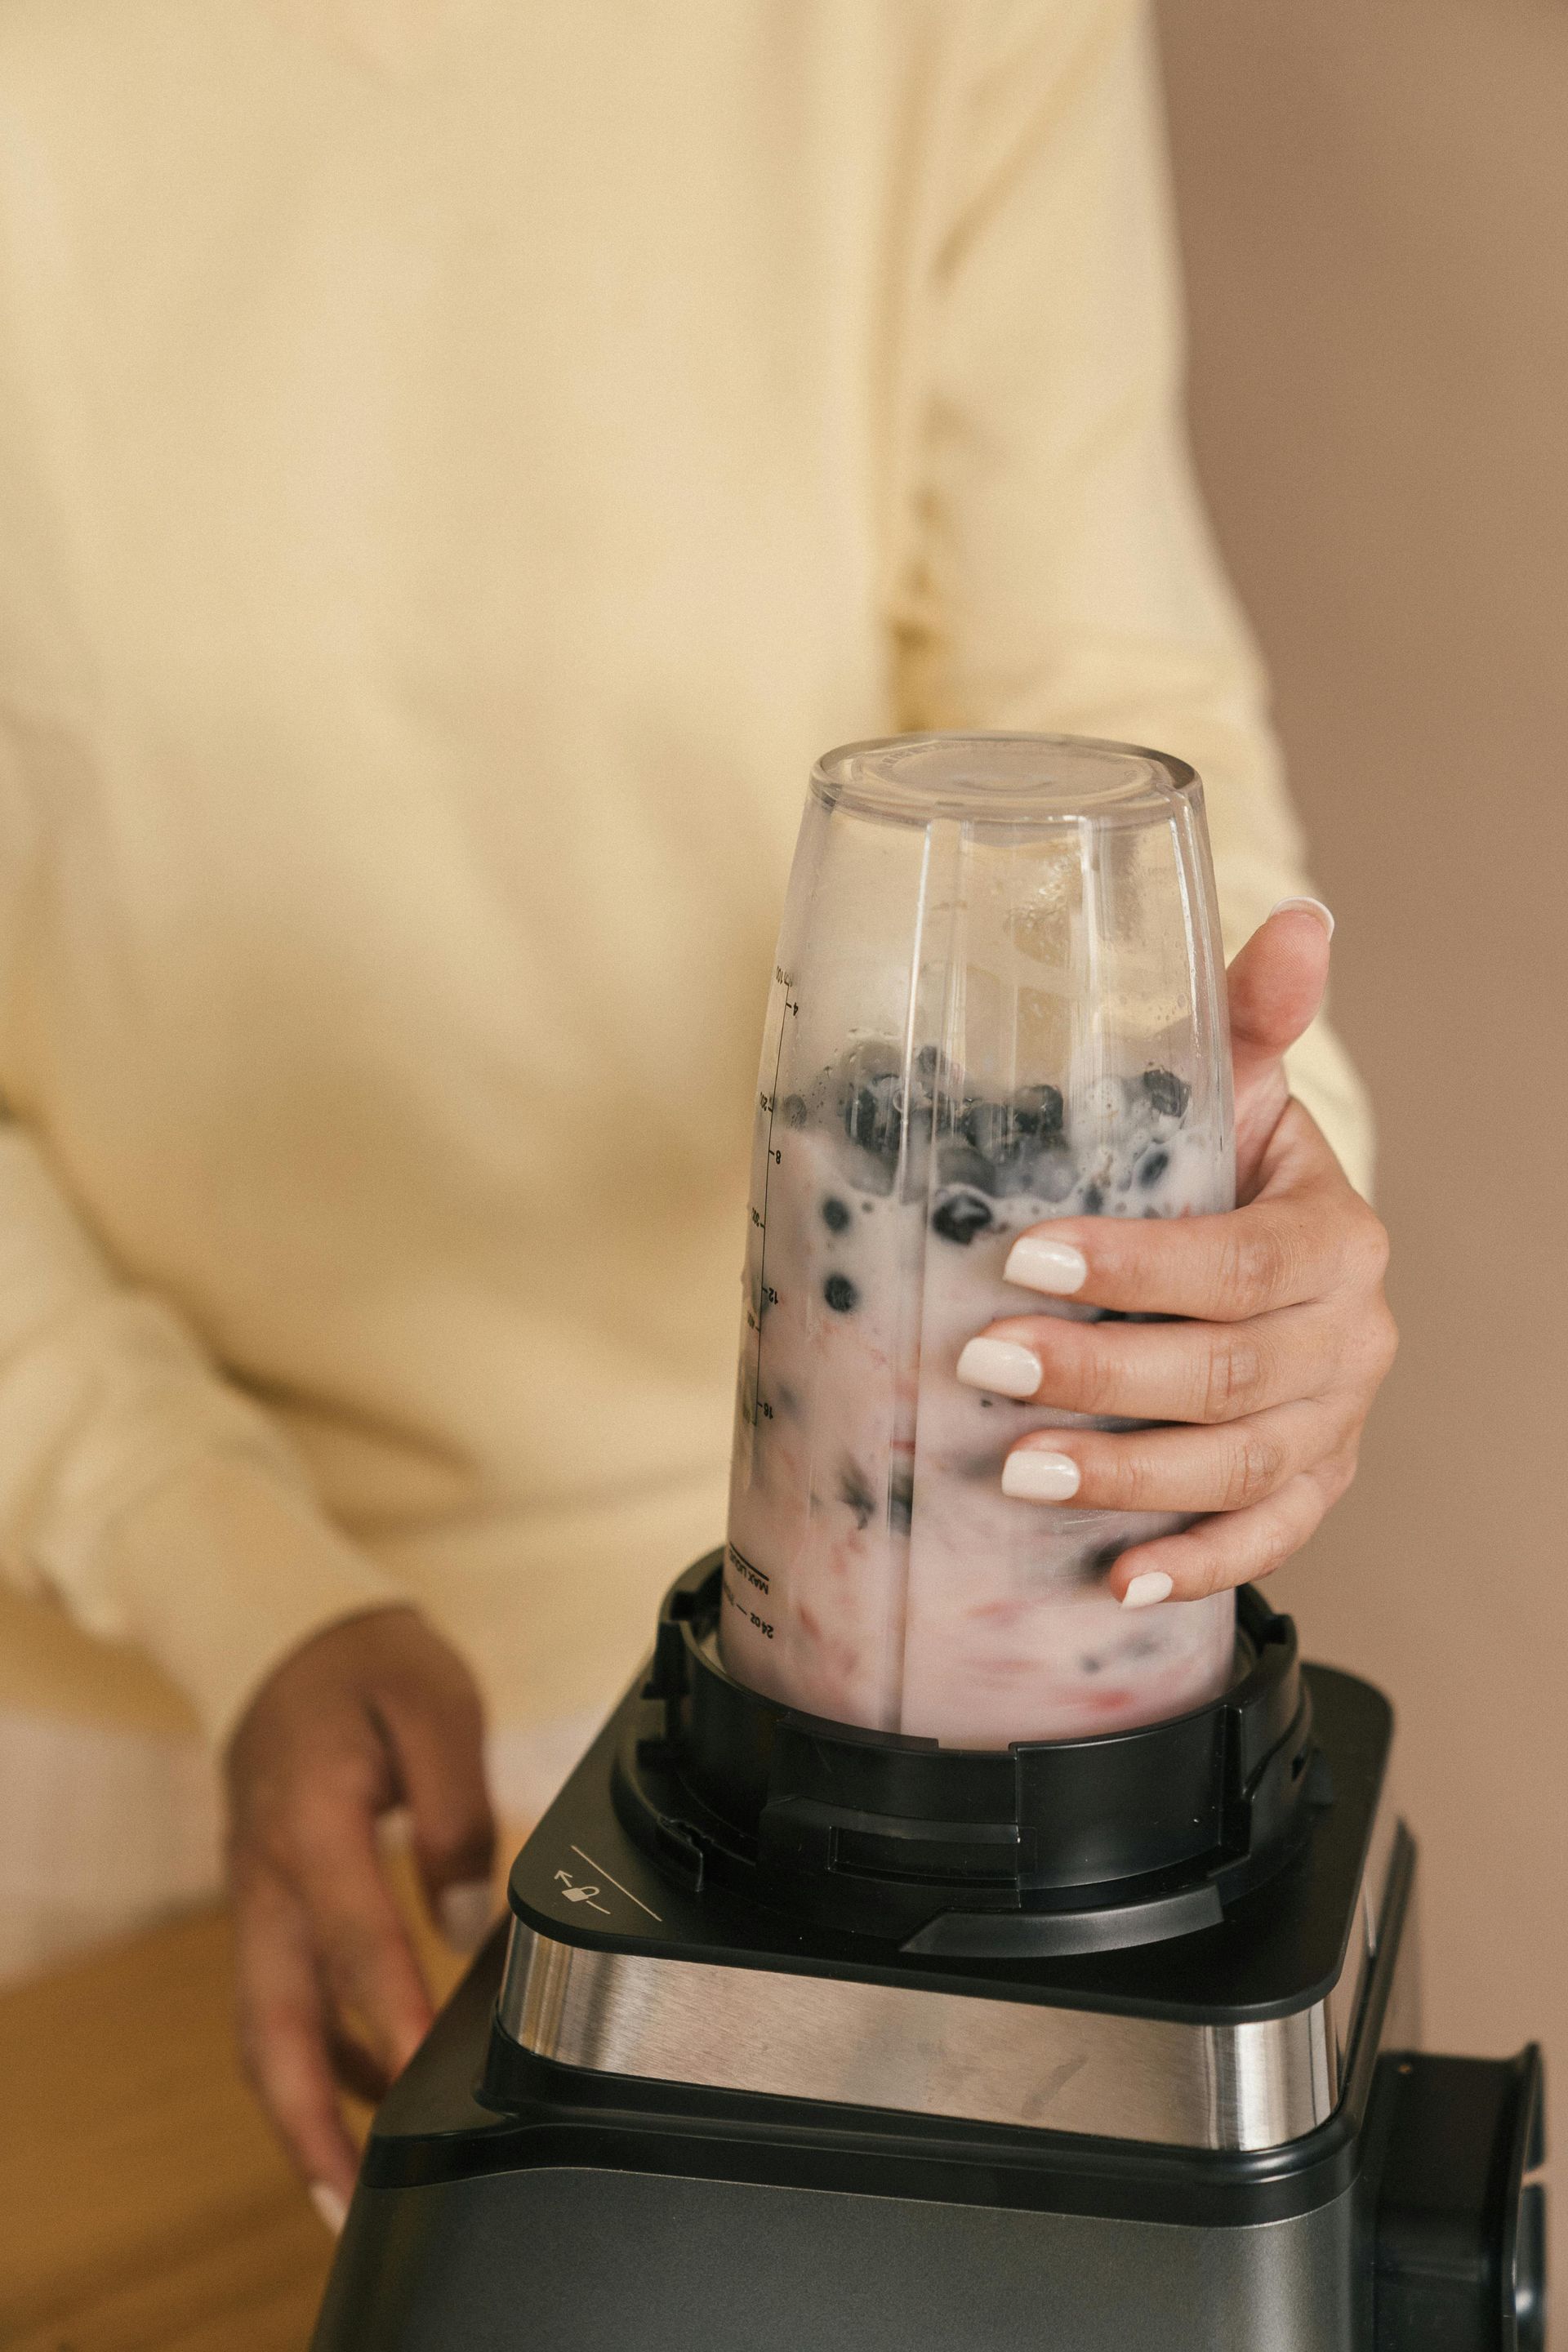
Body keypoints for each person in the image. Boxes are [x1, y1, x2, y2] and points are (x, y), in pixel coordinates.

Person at [0, 0, 1393, 2232]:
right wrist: (212, 1558)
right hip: (57, 1697)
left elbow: (1097, 714)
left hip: (769, 1657)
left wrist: (1245, 1204)